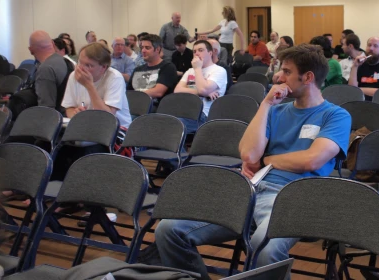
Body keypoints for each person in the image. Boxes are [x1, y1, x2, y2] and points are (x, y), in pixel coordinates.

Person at [156, 44, 351, 277]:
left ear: (307, 77)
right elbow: (249, 155)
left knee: (264, 247)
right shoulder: (276, 111)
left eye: (287, 71)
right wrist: (266, 104)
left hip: (295, 197)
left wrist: (268, 159)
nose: (279, 76)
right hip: (251, 189)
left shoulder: (335, 115)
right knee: (168, 229)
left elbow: (312, 160)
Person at [62, 43, 131, 128]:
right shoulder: (74, 75)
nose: (81, 69)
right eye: (80, 62)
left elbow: (106, 118)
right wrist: (76, 114)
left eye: (88, 65)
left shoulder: (115, 77)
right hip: (88, 126)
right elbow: (69, 107)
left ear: (103, 68)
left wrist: (89, 86)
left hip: (115, 128)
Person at [173, 40, 228, 134]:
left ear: (210, 53)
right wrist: (202, 92)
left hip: (203, 115)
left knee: (172, 126)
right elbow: (177, 90)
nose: (197, 53)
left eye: (201, 50)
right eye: (194, 51)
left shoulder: (219, 70)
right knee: (156, 122)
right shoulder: (190, 71)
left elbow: (203, 90)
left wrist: (198, 68)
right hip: (184, 111)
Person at [30, 31, 72, 113]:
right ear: (52, 43)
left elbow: (46, 108)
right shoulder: (67, 62)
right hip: (69, 116)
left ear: (31, 50)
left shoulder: (45, 69)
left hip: (55, 120)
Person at [129, 34, 179, 102]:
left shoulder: (168, 67)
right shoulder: (137, 70)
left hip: (156, 109)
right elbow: (128, 92)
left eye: (147, 48)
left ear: (157, 49)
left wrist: (135, 96)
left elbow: (158, 92)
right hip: (134, 107)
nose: (143, 51)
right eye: (142, 47)